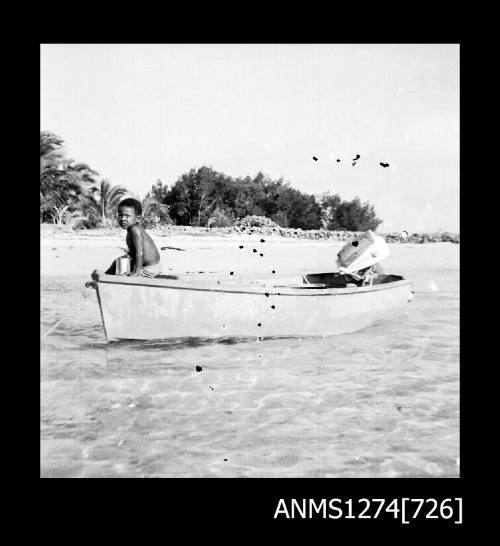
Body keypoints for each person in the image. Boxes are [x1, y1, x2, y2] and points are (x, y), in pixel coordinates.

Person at [105, 198, 161, 278]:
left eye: (127, 216)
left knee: (123, 275)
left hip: (150, 268)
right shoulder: (131, 229)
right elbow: (134, 252)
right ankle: (104, 279)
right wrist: (128, 255)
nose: (123, 219)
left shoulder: (135, 229)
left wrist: (135, 273)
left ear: (138, 219)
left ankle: (105, 281)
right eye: (120, 215)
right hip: (148, 265)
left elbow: (139, 253)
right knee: (116, 264)